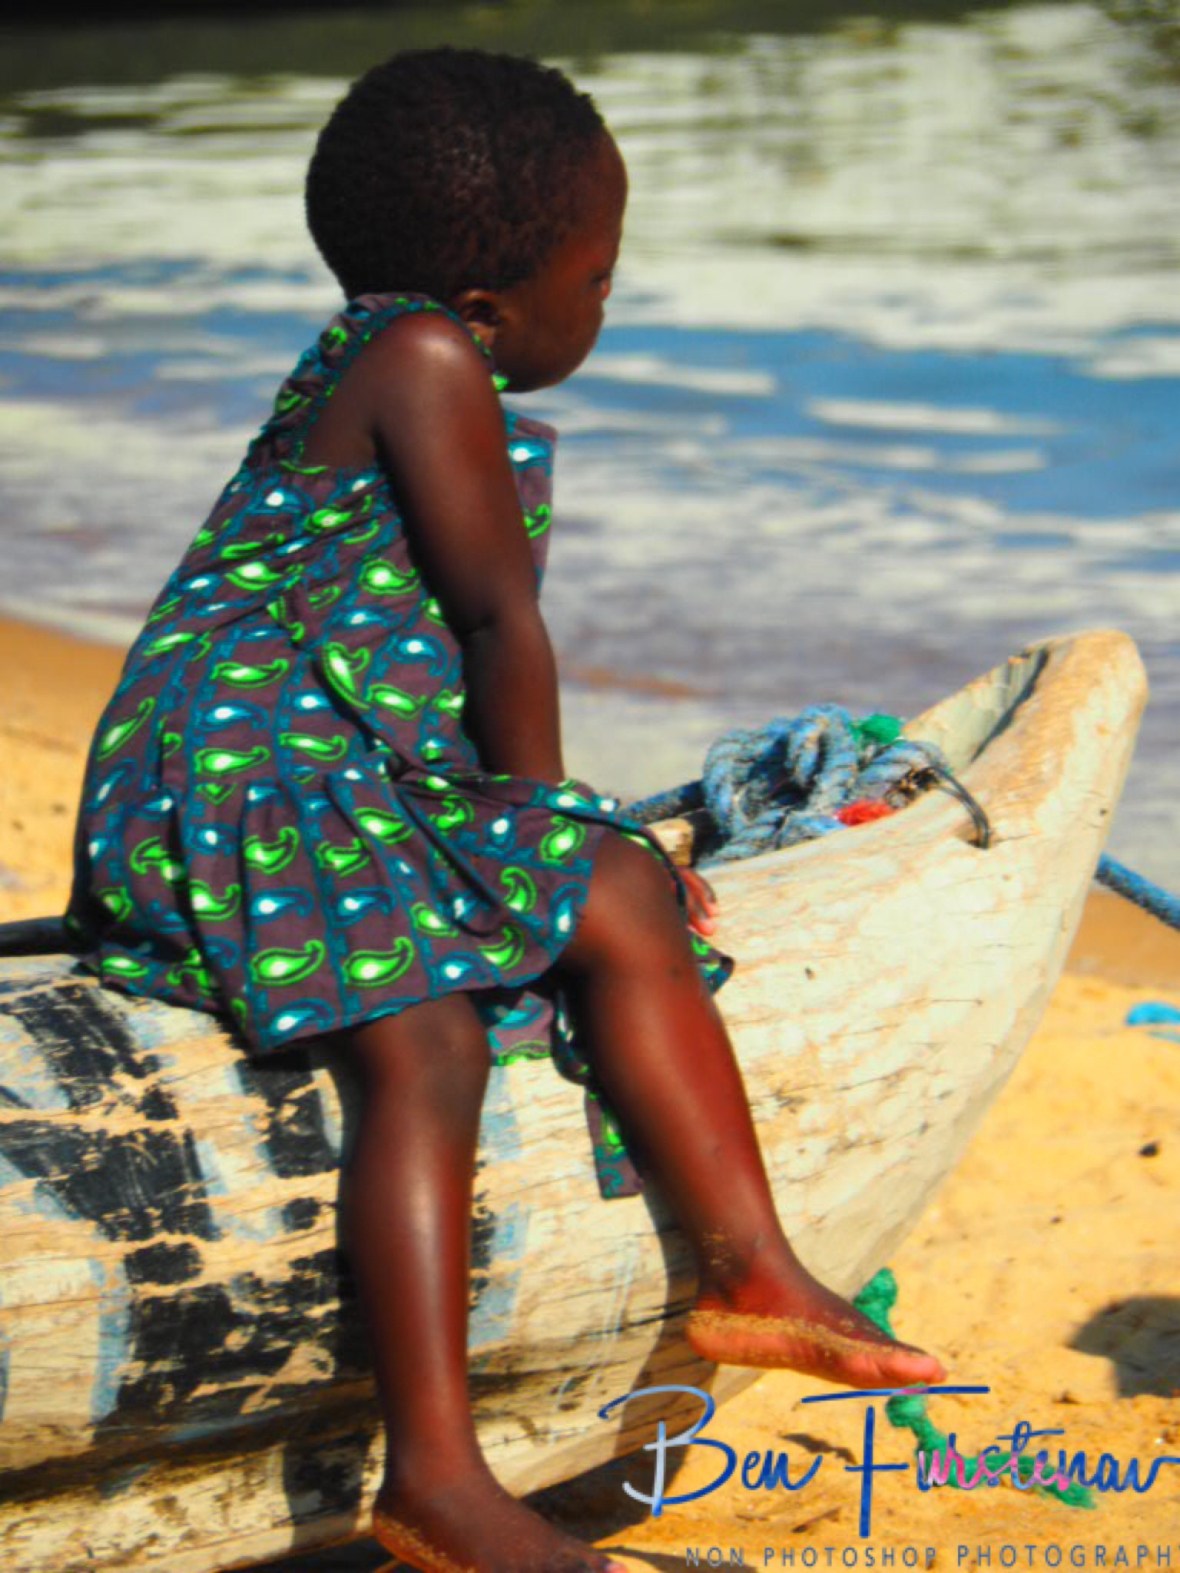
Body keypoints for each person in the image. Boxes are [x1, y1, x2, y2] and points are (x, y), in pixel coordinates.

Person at [68, 48, 944, 1573]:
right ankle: (438, 1477)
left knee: (617, 892)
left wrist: (574, 847)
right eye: (595, 274)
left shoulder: (394, 349)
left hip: (306, 754)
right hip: (239, 768)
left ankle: (756, 1269)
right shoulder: (423, 363)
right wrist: (543, 828)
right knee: (428, 1038)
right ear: (489, 304)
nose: (606, 303)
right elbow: (496, 629)